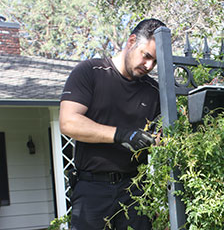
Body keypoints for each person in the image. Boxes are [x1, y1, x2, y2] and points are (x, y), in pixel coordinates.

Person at [59, 18, 166, 230]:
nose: (149, 66)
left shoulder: (153, 91)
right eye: (147, 56)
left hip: (136, 190)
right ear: (131, 41)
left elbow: (164, 136)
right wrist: (122, 135)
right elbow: (69, 122)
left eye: (155, 62)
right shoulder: (90, 72)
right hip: (92, 189)